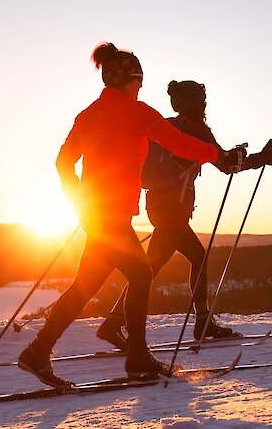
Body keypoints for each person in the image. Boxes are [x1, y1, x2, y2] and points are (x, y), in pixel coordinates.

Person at [18, 45, 246, 389]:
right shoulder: (136, 112)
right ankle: (137, 357)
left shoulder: (88, 114)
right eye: (138, 82)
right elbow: (180, 144)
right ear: (127, 80)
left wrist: (78, 198)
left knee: (85, 287)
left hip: (94, 214)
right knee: (140, 275)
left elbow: (63, 162)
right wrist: (219, 154)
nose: (140, 88)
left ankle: (37, 352)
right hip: (110, 216)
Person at [97, 79, 272, 350]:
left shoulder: (167, 125)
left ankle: (197, 320)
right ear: (198, 103)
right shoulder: (198, 130)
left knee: (189, 259)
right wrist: (260, 158)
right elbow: (227, 164)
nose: (205, 105)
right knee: (149, 270)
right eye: (203, 100)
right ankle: (117, 322)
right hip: (174, 209)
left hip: (156, 206)